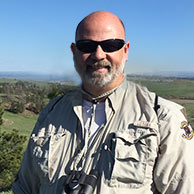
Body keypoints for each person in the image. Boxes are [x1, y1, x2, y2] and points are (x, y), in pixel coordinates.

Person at [12, 11, 194, 194]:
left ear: (125, 50)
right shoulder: (52, 113)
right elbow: (25, 188)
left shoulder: (162, 118)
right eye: (87, 45)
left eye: (110, 45)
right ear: (74, 51)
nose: (98, 54)